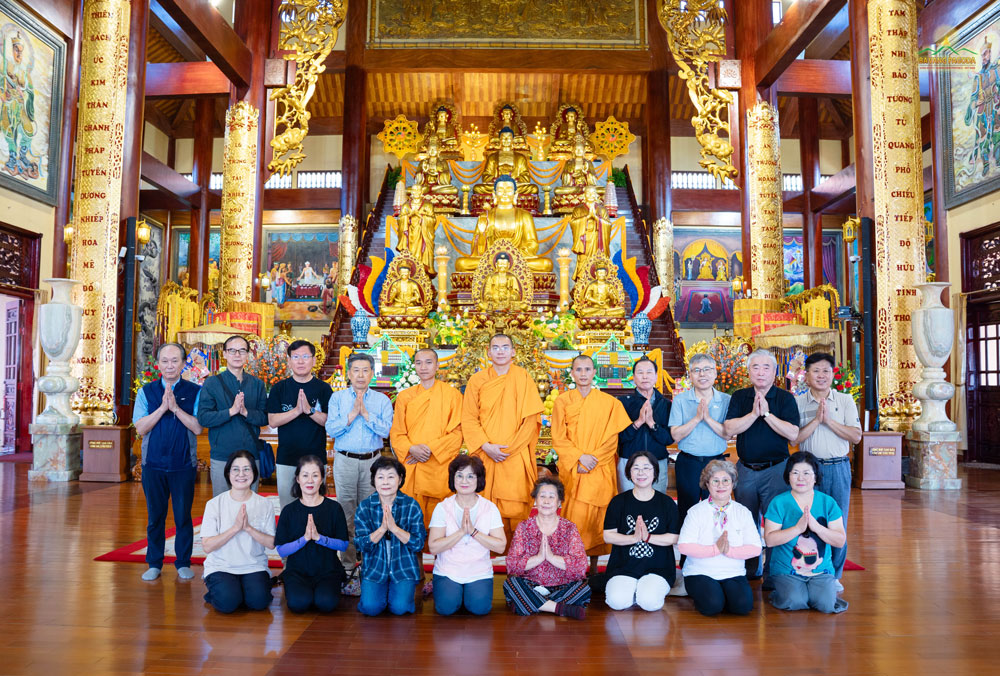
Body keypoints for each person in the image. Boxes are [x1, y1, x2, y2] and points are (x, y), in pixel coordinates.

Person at [722, 349, 800, 582]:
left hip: (776, 470)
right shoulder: (740, 396)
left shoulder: (785, 398)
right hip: (746, 469)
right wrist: (754, 414)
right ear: (748, 371)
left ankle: (774, 571)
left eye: (766, 367)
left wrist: (766, 414)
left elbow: (793, 434)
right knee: (746, 521)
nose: (761, 372)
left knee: (776, 522)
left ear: (774, 371)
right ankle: (750, 568)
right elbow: (729, 429)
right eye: (755, 367)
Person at [461, 334, 543, 542]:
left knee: (516, 513)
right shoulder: (477, 380)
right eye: (495, 347)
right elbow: (469, 417)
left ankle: (515, 564)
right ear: (488, 352)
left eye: (505, 347)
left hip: (515, 455)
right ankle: (483, 563)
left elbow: (531, 419)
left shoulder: (523, 377)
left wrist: (510, 449)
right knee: (484, 511)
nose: (500, 351)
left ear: (513, 352)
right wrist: (486, 446)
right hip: (486, 454)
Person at [133, 342, 202, 582]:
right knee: (155, 516)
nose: (170, 365)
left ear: (184, 364)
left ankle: (183, 561)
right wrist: (163, 407)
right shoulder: (147, 392)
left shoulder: (195, 391)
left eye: (175, 361)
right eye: (165, 360)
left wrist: (176, 408)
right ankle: (154, 563)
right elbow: (141, 428)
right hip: (153, 464)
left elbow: (197, 427)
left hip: (183, 464)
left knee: (183, 516)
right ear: (158, 364)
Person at [553, 354, 631, 564]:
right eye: (578, 370)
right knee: (575, 518)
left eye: (588, 369)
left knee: (599, 518)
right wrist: (579, 458)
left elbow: (611, 440)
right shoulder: (562, 401)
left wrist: (592, 459)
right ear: (572, 373)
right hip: (574, 468)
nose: (583, 374)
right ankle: (573, 567)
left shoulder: (608, 403)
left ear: (594, 372)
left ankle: (595, 569)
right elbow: (558, 438)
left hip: (599, 467)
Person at [325, 352, 394, 587]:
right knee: (346, 511)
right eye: (356, 370)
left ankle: (370, 564)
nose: (361, 375)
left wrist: (366, 414)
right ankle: (347, 565)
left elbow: (385, 431)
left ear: (372, 374)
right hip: (345, 460)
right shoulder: (338, 399)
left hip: (373, 462)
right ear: (348, 373)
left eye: (365, 370)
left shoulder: (382, 400)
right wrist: (352, 415)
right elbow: (332, 429)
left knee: (371, 512)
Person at [794, 352, 862, 583]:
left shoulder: (845, 401)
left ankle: (835, 576)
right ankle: (809, 570)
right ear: (807, 376)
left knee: (837, 522)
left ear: (832, 374)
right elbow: (795, 439)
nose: (821, 375)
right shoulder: (799, 402)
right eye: (816, 371)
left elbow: (856, 436)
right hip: (808, 472)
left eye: (826, 371)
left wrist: (829, 421)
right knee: (808, 520)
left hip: (837, 468)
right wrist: (815, 420)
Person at [763, 451, 848, 614]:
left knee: (826, 605)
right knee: (795, 601)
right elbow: (770, 540)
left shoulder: (828, 502)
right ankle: (785, 591)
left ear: (816, 477)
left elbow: (839, 541)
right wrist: (797, 529)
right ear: (788, 476)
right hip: (786, 569)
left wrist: (816, 527)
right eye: (795, 473)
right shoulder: (779, 502)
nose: (800, 478)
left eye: (806, 473)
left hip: (821, 570)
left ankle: (813, 591)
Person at [390, 348, 464, 531]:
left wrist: (430, 449)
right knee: (412, 525)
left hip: (439, 467)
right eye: (419, 363)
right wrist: (410, 449)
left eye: (429, 362)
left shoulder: (452, 395)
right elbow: (397, 433)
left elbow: (458, 433)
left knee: (442, 525)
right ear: (414, 366)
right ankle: (417, 560)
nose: (423, 367)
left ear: (438, 366)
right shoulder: (405, 397)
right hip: (412, 466)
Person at [677, 460, 761, 616]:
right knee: (712, 606)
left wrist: (728, 551)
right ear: (707, 484)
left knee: (743, 607)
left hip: (733, 572)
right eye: (715, 481)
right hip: (700, 572)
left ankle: (723, 594)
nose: (721, 485)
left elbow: (755, 547)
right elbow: (684, 546)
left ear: (733, 483)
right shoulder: (696, 511)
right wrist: (715, 549)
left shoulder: (742, 512)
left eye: (725, 481)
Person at [427, 455, 506, 616]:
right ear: (453, 478)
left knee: (480, 609)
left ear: (479, 480)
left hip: (479, 570)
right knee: (446, 609)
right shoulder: (443, 507)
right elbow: (433, 547)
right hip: (448, 570)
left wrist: (473, 532)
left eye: (471, 476)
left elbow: (500, 546)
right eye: (460, 475)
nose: (465, 481)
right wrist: (462, 532)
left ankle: (466, 594)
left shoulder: (489, 508)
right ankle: (452, 592)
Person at [602, 451, 680, 612]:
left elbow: (674, 537)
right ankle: (635, 589)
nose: (641, 472)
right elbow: (608, 535)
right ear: (629, 472)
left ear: (655, 472)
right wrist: (634, 538)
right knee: (617, 602)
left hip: (658, 567)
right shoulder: (618, 502)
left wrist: (648, 537)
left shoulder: (666, 503)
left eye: (646, 468)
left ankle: (645, 590)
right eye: (636, 468)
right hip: (623, 566)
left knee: (649, 603)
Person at [503, 477, 591, 619]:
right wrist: (538, 558)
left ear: (559, 502)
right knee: (511, 584)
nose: (546, 501)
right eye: (542, 496)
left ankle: (528, 604)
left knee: (583, 588)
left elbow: (580, 566)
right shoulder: (524, 527)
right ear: (535, 501)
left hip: (562, 586)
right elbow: (512, 565)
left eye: (552, 497)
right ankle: (559, 608)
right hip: (530, 585)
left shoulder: (569, 528)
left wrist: (551, 558)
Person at [200, 450, 276, 613]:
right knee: (227, 604)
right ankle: (223, 591)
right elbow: (207, 546)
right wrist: (235, 528)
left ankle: (241, 591)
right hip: (222, 566)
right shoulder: (214, 504)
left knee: (259, 602)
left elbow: (271, 543)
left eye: (247, 469)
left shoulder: (264, 504)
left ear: (254, 473)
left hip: (253, 565)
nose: (241, 474)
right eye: (235, 469)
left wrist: (248, 528)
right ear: (228, 473)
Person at [274, 455, 349, 613]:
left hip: (327, 570)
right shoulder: (289, 511)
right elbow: (281, 549)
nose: (310, 480)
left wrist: (320, 539)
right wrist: (305, 539)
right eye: (305, 475)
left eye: (315, 475)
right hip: (297, 572)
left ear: (321, 479)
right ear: (298, 479)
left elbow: (343, 545)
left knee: (326, 604)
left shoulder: (334, 508)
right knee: (298, 604)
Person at [353, 456, 427, 616]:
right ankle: (380, 593)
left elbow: (418, 544)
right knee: (371, 609)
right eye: (380, 477)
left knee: (400, 609)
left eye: (391, 477)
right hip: (375, 568)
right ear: (374, 480)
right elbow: (360, 545)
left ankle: (394, 593)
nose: (385, 482)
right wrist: (381, 529)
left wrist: (394, 528)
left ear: (400, 479)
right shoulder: (365, 507)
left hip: (403, 567)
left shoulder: (411, 505)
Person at [197, 335, 269, 496]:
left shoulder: (257, 384)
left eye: (242, 351)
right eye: (232, 350)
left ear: (248, 355)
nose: (237, 355)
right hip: (222, 454)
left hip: (250, 454)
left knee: (250, 505)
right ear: (224, 354)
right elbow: (203, 417)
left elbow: (265, 417)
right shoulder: (212, 383)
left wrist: (245, 412)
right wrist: (231, 411)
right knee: (223, 504)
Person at [267, 340, 332, 509]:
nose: (300, 361)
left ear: (314, 360)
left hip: (316, 458)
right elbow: (273, 421)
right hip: (286, 458)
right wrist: (296, 411)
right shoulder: (279, 388)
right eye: (295, 357)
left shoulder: (324, 389)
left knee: (316, 506)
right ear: (288, 361)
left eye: (305, 356)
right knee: (288, 507)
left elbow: (330, 422)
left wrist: (310, 411)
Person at [668, 353, 732, 524]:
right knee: (687, 510)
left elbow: (728, 433)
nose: (702, 374)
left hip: (717, 462)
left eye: (706, 369)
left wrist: (708, 419)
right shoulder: (681, 400)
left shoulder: (726, 400)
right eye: (696, 370)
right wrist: (696, 418)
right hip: (688, 462)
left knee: (718, 508)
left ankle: (716, 547)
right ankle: (686, 549)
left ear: (715, 373)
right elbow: (675, 435)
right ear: (690, 375)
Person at [618, 356, 674, 494]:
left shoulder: (666, 404)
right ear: (633, 377)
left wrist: (651, 424)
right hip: (629, 461)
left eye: (649, 372)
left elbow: (668, 439)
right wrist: (638, 423)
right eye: (640, 372)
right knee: (629, 503)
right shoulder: (623, 403)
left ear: (656, 376)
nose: (645, 376)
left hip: (657, 460)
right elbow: (619, 438)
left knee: (657, 503)